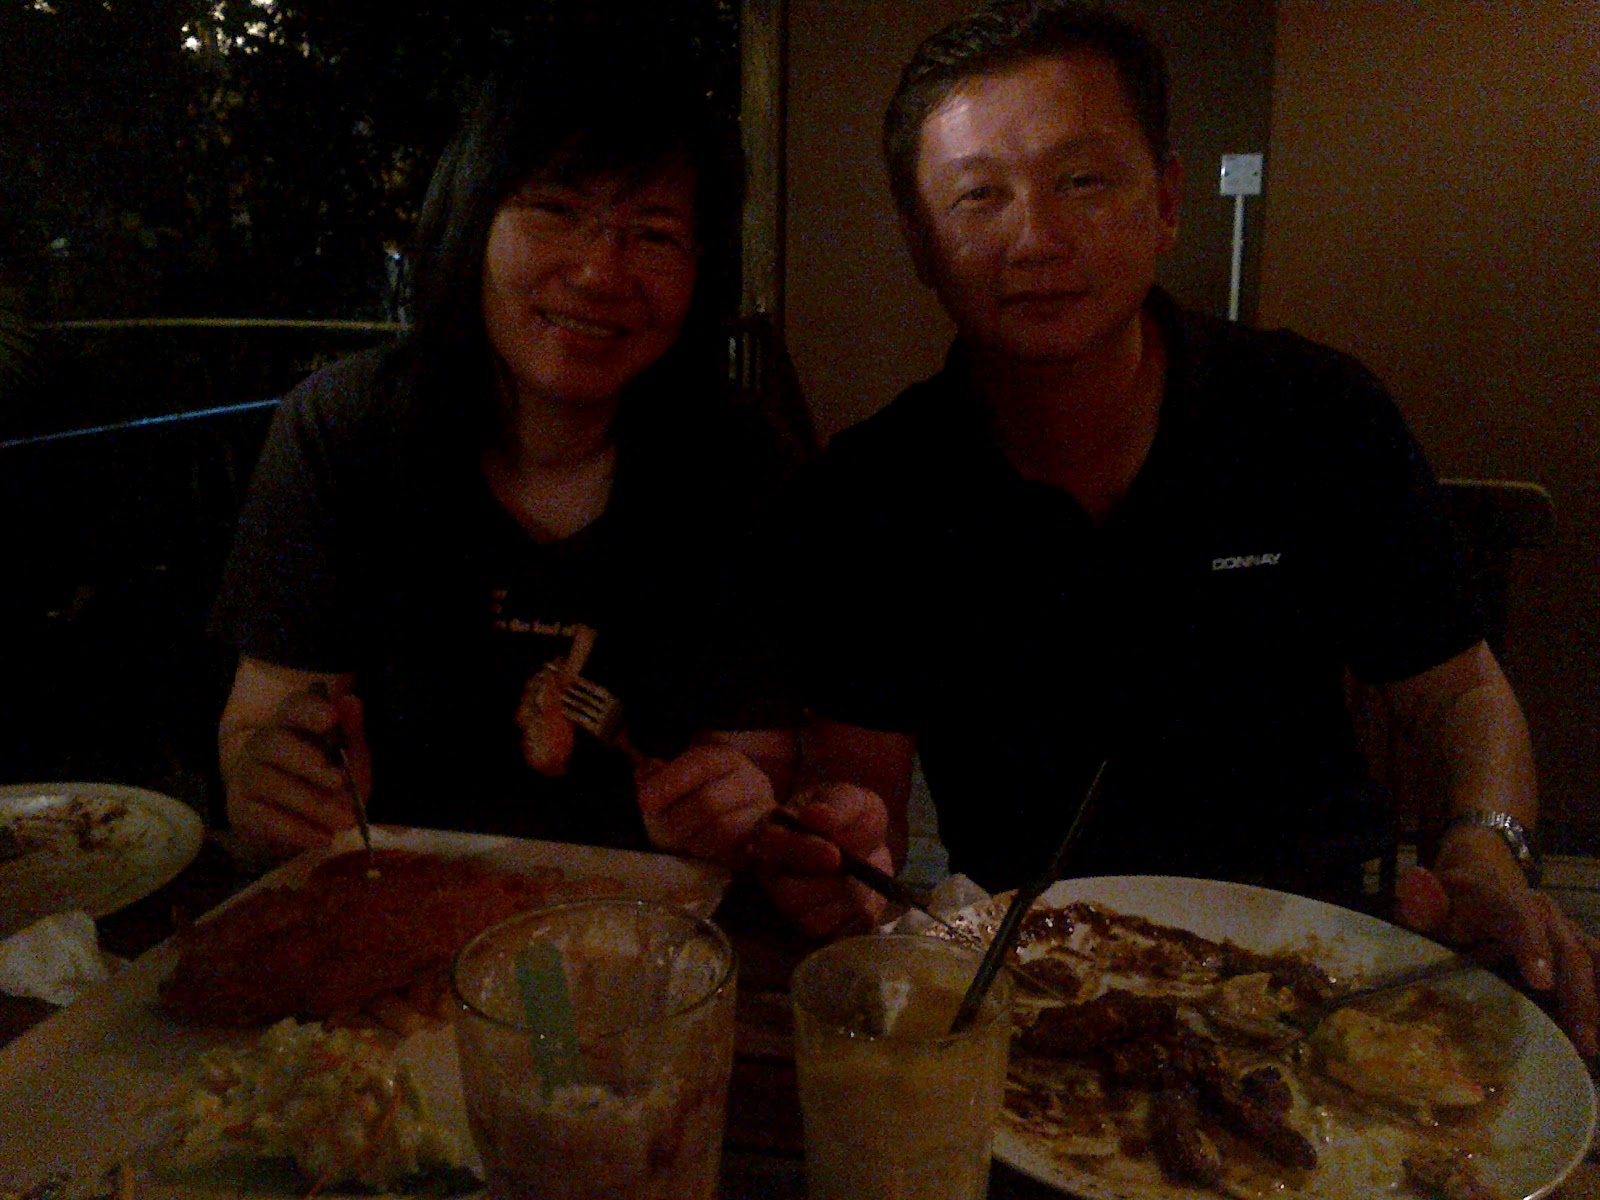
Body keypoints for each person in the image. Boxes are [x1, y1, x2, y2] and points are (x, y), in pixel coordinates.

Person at [666, 0, 1599, 1053]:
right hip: (1038, 988)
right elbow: (863, 815)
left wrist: (1485, 848)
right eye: (979, 196)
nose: (1036, 239)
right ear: (919, 243)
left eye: (1081, 181)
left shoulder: (1310, 411)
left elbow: (1459, 690)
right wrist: (840, 866)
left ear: (1165, 202)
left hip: (1322, 971)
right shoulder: (872, 490)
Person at [211, 33, 887, 936]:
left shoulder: (743, 466)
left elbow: (753, 764)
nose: (600, 271)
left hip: (642, 947)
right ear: (472, 221)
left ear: (701, 272)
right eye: (555, 209)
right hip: (385, 928)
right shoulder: (344, 432)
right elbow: (260, 726)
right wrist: (271, 781)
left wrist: (731, 811)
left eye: (655, 234)